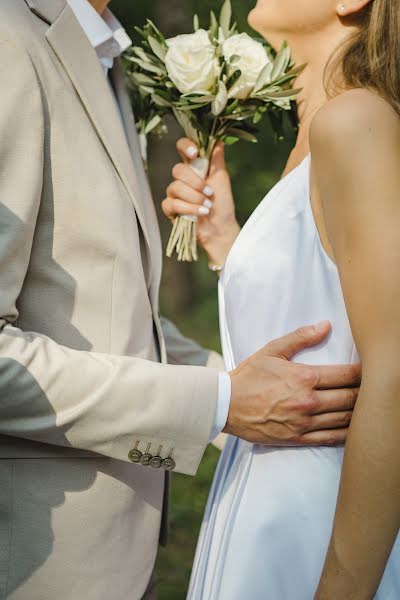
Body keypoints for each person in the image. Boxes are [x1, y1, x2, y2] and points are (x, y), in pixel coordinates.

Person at [0, 1, 362, 599]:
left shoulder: (103, 54)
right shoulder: (11, 41)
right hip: (38, 560)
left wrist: (266, 398)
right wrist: (220, 403)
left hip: (123, 553)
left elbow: (109, 315)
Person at [163, 0, 400, 598]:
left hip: (324, 528)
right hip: (261, 508)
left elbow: (396, 366)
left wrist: (343, 589)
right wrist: (228, 244)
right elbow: (322, 308)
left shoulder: (355, 120)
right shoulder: (317, 134)